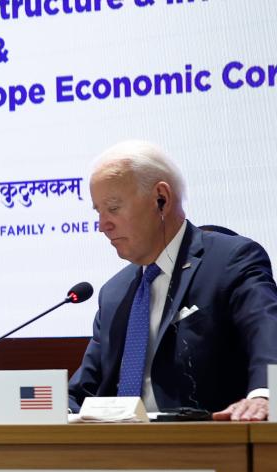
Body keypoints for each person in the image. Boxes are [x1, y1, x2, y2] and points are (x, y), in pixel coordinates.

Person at [69, 140, 277, 421]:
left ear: (161, 199)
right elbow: (85, 390)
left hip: (205, 446)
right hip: (116, 449)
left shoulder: (231, 261)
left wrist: (265, 395)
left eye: (113, 208)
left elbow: (266, 332)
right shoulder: (114, 293)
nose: (102, 224)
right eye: (98, 212)